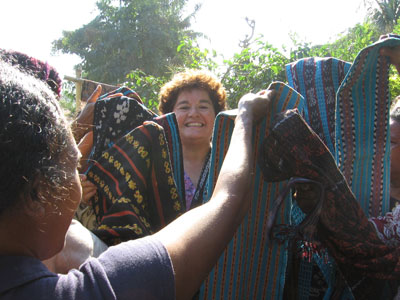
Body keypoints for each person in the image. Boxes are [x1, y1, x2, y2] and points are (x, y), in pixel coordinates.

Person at [0, 58, 274, 299]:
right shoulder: (100, 288)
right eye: (74, 165)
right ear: (39, 194)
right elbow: (229, 201)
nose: (193, 113)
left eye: (203, 106)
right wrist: (246, 117)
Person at [158, 69, 227, 210]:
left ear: (217, 115)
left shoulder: (228, 162)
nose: (194, 114)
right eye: (184, 107)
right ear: (169, 116)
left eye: (203, 107)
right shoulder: (157, 164)